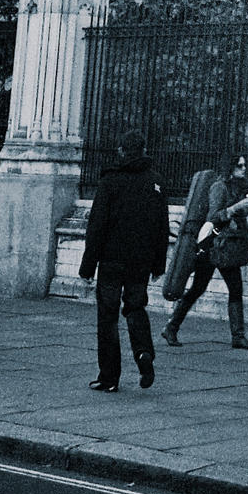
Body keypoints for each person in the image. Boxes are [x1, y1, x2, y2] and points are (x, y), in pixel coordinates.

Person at [78, 127, 170, 393]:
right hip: (140, 261)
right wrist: (158, 264)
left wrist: (87, 266)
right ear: (143, 152)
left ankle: (109, 377)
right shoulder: (156, 183)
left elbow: (97, 226)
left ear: (121, 151)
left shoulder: (111, 181)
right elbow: (162, 227)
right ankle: (144, 354)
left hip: (111, 259)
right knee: (136, 307)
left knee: (107, 316)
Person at [161, 154, 248, 350]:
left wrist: (242, 210)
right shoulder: (219, 187)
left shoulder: (237, 187)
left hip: (227, 247)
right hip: (216, 246)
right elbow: (213, 216)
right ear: (230, 167)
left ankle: (172, 327)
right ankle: (237, 336)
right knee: (219, 288)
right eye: (240, 165)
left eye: (245, 165)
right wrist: (235, 208)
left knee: (203, 288)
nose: (244, 168)